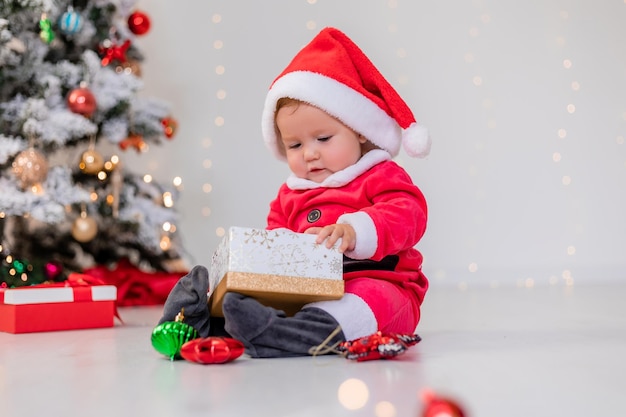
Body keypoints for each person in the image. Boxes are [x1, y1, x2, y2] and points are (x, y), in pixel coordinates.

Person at [158, 27, 431, 358]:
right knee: (254, 293)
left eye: (323, 139)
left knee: (367, 303)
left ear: (359, 131)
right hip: (310, 290)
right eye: (295, 144)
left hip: (379, 283)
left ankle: (290, 335)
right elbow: (278, 248)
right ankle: (202, 317)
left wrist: (355, 230)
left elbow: (409, 213)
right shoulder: (289, 197)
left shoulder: (379, 174)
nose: (309, 153)